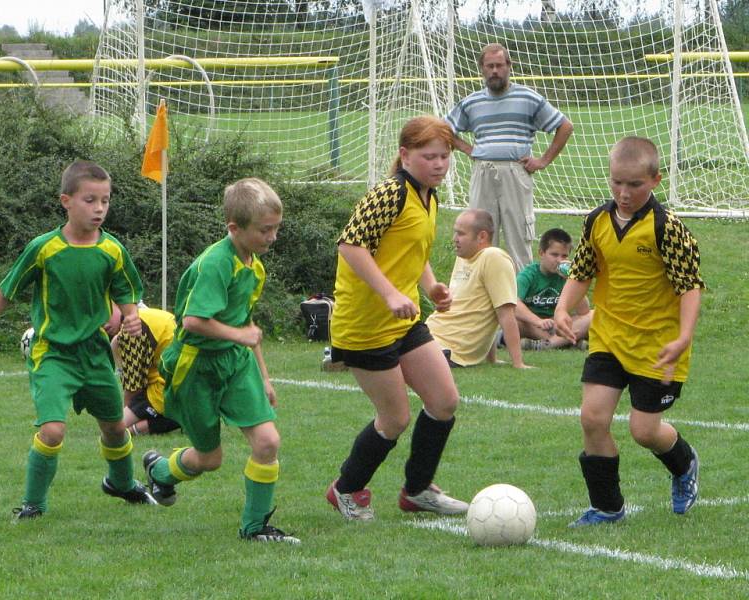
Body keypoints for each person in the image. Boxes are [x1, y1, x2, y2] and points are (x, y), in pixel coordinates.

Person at [0, 160, 156, 519]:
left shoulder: (112, 250)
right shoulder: (44, 248)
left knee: (114, 427)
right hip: (52, 354)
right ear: (66, 201)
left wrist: (130, 316)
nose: (99, 209)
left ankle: (122, 484)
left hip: (95, 354)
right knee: (52, 431)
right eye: (90, 200)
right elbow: (7, 290)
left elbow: (126, 288)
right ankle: (33, 505)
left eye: (105, 201)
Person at [554, 137, 704, 527]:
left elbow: (689, 286)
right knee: (592, 418)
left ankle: (684, 462)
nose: (623, 193)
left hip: (658, 346)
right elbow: (583, 272)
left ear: (655, 180)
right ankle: (607, 506)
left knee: (644, 430)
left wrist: (684, 337)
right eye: (616, 182)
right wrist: (562, 307)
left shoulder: (667, 228)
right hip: (609, 337)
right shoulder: (596, 221)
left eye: (634, 185)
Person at [325, 115, 468, 521]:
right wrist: (388, 293)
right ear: (405, 154)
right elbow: (351, 247)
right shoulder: (389, 193)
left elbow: (409, 250)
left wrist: (432, 286)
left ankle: (417, 490)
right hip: (365, 325)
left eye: (444, 157)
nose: (439, 164)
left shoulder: (429, 195)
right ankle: (347, 489)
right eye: (429, 157)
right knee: (394, 417)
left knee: (444, 402)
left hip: (403, 320)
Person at [142, 178, 300, 543]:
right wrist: (240, 337)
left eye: (276, 228)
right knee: (209, 459)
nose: (272, 237)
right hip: (195, 366)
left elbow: (246, 324)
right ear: (234, 227)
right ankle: (162, 470)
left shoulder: (254, 266)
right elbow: (194, 321)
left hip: (235, 362)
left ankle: (255, 528)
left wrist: (263, 376)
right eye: (265, 230)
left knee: (267, 442)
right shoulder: (216, 264)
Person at [446, 43, 573, 271]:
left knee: (519, 238)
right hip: (483, 172)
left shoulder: (528, 97)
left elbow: (565, 126)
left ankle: (520, 298)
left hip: (516, 173)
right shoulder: (472, 102)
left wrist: (543, 160)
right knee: (479, 236)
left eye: (499, 65)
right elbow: (444, 128)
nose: (495, 71)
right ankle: (481, 292)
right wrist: (468, 149)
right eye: (489, 66)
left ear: (509, 66)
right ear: (482, 69)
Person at [425, 208, 530, 369]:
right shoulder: (464, 257)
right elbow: (481, 308)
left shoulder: (494, 258)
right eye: (455, 233)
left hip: (449, 348)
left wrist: (518, 363)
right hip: (430, 335)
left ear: (482, 236)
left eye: (460, 234)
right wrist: (491, 359)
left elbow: (505, 313)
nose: (455, 239)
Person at [516, 228, 592, 350]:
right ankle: (567, 343)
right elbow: (514, 304)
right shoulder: (528, 274)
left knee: (593, 315)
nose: (559, 260)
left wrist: (571, 279)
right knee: (515, 321)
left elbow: (584, 311)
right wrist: (538, 321)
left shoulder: (567, 276)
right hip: (533, 324)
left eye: (564, 256)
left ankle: (548, 344)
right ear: (541, 253)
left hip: (557, 324)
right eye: (554, 255)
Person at [111, 305, 181, 436]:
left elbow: (133, 388)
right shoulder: (144, 316)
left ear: (117, 305)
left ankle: (135, 430)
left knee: (116, 428)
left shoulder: (131, 329)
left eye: (106, 315)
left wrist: (126, 412)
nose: (104, 325)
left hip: (167, 388)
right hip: (186, 386)